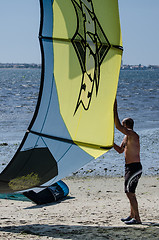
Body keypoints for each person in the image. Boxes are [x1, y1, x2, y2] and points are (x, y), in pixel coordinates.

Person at [113, 98, 142, 225]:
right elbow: (120, 150)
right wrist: (110, 142)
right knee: (130, 192)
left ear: (126, 126)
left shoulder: (132, 134)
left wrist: (114, 109)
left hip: (135, 167)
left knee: (130, 193)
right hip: (129, 167)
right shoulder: (126, 137)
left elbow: (117, 126)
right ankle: (132, 215)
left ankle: (137, 219)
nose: (122, 127)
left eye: (123, 126)